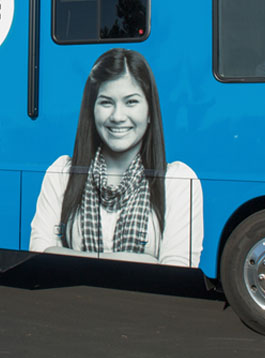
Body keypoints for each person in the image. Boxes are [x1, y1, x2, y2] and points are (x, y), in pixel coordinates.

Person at [29, 48, 203, 267]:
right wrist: (145, 262)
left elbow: (177, 273)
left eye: (131, 102)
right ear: (91, 110)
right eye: (106, 102)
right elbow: (40, 258)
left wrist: (64, 255)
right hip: (73, 301)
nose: (118, 116)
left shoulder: (177, 180)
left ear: (150, 112)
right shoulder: (62, 172)